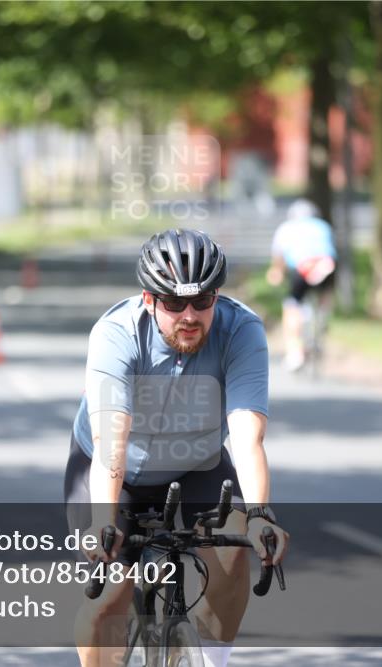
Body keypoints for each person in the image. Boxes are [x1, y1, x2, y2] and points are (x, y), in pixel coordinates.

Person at [64, 229, 289, 667]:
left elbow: (247, 437)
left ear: (217, 297)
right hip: (116, 469)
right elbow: (112, 442)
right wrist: (104, 523)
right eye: (173, 303)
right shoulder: (116, 334)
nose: (190, 315)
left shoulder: (241, 330)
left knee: (233, 546)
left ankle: (212, 659)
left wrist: (262, 515)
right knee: (111, 588)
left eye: (202, 301)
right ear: (149, 300)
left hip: (196, 464)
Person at [266, 199, 338, 371]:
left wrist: (276, 274)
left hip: (302, 268)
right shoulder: (323, 226)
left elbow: (279, 260)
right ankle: (322, 318)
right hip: (327, 264)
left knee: (292, 305)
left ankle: (295, 353)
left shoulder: (286, 228)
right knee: (325, 292)